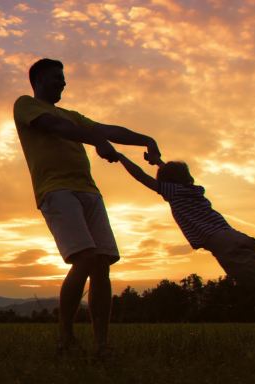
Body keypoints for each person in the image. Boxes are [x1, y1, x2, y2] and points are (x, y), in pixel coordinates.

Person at [13, 58, 162, 356]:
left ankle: (101, 344)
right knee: (84, 258)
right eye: (57, 77)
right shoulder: (26, 104)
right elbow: (54, 126)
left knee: (102, 264)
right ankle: (65, 338)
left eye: (64, 78)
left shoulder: (72, 115)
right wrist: (96, 140)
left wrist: (146, 139)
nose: (63, 83)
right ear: (39, 79)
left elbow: (107, 129)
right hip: (56, 190)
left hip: (89, 192)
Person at [115, 152, 255, 287]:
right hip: (234, 238)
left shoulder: (173, 193)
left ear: (168, 184)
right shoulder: (192, 191)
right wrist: (158, 162)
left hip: (223, 244)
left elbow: (142, 178)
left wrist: (121, 157)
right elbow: (173, 176)